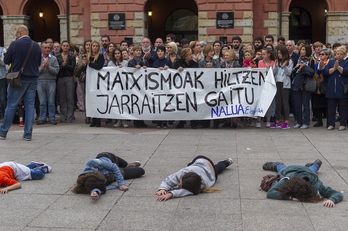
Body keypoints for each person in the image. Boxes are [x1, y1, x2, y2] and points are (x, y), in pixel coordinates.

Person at [0, 25, 41, 141]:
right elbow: (38, 63)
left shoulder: (14, 44)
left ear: (19, 33)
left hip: (18, 78)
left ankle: (3, 131)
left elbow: (6, 60)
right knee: (29, 106)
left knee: (12, 104)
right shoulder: (36, 46)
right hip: (33, 78)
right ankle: (28, 133)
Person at [262, 160, 343, 207]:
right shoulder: (287, 179)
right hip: (289, 170)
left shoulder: (316, 185)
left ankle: (315, 164)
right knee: (281, 167)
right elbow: (270, 193)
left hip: (308, 172)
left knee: (312, 169)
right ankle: (276, 164)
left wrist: (332, 200)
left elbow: (338, 194)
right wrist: (290, 198)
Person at [155, 155, 233, 201]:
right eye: (180, 182)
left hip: (210, 169)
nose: (178, 184)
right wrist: (163, 188)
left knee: (218, 168)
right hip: (199, 162)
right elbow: (170, 179)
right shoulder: (184, 172)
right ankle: (191, 164)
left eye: (180, 184)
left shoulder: (202, 185)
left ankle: (226, 162)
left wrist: (172, 194)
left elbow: (190, 191)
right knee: (190, 165)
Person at [72, 152, 145, 201]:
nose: (106, 182)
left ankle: (129, 165)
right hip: (112, 176)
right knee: (140, 171)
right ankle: (130, 166)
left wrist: (121, 184)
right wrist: (95, 192)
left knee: (124, 164)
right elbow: (95, 187)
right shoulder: (90, 182)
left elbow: (114, 167)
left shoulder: (93, 163)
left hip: (110, 159)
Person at [80, 41, 105, 127]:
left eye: (96, 46)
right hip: (89, 81)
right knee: (91, 100)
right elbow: (83, 69)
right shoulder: (88, 56)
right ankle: (93, 119)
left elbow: (99, 66)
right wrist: (84, 64)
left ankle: (98, 120)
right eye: (93, 46)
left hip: (97, 81)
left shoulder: (101, 56)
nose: (95, 47)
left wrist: (89, 63)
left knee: (97, 100)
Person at [324, 46, 348, 131]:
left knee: (343, 108)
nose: (339, 56)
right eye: (337, 54)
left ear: (344, 54)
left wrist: (338, 67)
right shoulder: (331, 62)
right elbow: (326, 72)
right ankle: (331, 124)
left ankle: (342, 124)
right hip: (331, 89)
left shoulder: (346, 62)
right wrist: (334, 68)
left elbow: (345, 72)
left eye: (341, 54)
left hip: (341, 89)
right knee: (331, 108)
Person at [174, 48, 199, 129]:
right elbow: (172, 73)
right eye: (189, 54)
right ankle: (181, 121)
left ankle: (193, 122)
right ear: (185, 56)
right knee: (182, 104)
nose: (191, 55)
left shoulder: (194, 64)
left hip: (191, 88)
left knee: (192, 104)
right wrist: (178, 70)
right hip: (181, 88)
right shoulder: (178, 63)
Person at [270, 46, 293, 129]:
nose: (279, 55)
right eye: (278, 53)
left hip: (285, 84)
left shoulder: (289, 61)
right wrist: (276, 66)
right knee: (278, 103)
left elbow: (289, 73)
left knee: (285, 103)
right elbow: (273, 72)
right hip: (277, 82)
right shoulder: (276, 61)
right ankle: (277, 121)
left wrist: (284, 66)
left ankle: (286, 121)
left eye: (280, 53)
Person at [292, 45, 315, 129]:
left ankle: (306, 122)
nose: (301, 51)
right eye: (301, 49)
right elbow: (293, 71)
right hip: (297, 83)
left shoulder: (311, 60)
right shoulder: (298, 59)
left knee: (305, 104)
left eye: (303, 50)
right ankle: (299, 121)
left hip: (306, 84)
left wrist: (304, 68)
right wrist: (298, 68)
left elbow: (312, 72)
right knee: (297, 104)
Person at [37, 41, 60, 126]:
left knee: (51, 101)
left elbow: (56, 71)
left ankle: (52, 117)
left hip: (51, 81)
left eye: (48, 48)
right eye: (45, 48)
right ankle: (42, 117)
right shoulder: (38, 58)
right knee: (42, 101)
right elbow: (35, 72)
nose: (47, 49)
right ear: (42, 49)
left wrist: (48, 67)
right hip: (40, 81)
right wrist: (42, 67)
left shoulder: (53, 58)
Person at [108, 47, 129, 128]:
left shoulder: (126, 63)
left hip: (123, 85)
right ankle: (117, 120)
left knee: (123, 103)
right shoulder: (110, 63)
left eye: (118, 53)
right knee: (116, 103)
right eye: (115, 53)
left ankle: (123, 120)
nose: (117, 55)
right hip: (114, 86)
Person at [56, 40, 76, 123]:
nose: (65, 47)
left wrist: (66, 65)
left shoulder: (72, 56)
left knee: (70, 97)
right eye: (64, 45)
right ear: (61, 46)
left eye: (67, 46)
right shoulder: (57, 57)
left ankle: (70, 117)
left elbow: (72, 68)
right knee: (62, 98)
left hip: (69, 77)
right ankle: (63, 117)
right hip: (60, 78)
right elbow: (57, 68)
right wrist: (62, 66)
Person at [312, 48, 331, 127]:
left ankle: (329, 122)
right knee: (318, 104)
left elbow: (327, 73)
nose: (321, 56)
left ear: (327, 56)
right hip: (319, 85)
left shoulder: (330, 64)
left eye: (323, 54)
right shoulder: (317, 64)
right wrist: (320, 66)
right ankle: (319, 121)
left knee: (328, 105)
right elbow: (316, 72)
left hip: (327, 84)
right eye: (320, 54)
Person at [0, 44, 7, 120]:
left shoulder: (2, 50)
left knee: (3, 98)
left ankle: (5, 116)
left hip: (2, 77)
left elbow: (5, 62)